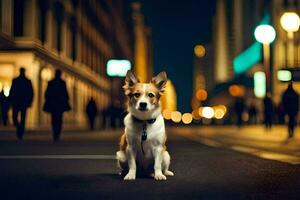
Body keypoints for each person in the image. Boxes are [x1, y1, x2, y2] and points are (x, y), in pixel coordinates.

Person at [43, 69, 71, 141]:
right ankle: (56, 132)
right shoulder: (54, 83)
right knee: (56, 119)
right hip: (55, 104)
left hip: (58, 104)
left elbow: (65, 93)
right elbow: (47, 93)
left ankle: (57, 133)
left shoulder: (60, 83)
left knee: (57, 119)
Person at [9, 68, 34, 140]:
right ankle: (19, 127)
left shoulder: (27, 81)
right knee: (15, 117)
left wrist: (30, 101)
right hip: (17, 102)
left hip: (23, 102)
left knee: (22, 118)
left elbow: (31, 92)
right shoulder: (16, 81)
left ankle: (20, 131)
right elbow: (12, 91)